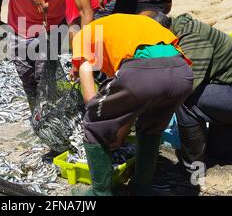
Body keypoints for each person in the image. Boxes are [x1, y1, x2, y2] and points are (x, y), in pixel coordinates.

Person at [71, 14, 193, 195]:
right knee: (150, 127)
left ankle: (100, 193)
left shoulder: (82, 37)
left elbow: (90, 100)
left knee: (93, 124)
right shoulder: (131, 24)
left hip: (143, 73)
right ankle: (142, 189)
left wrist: (108, 127)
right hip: (182, 73)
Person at [153, 12, 232, 167]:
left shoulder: (192, 38)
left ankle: (192, 164)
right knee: (218, 152)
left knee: (185, 100)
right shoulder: (180, 32)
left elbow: (185, 87)